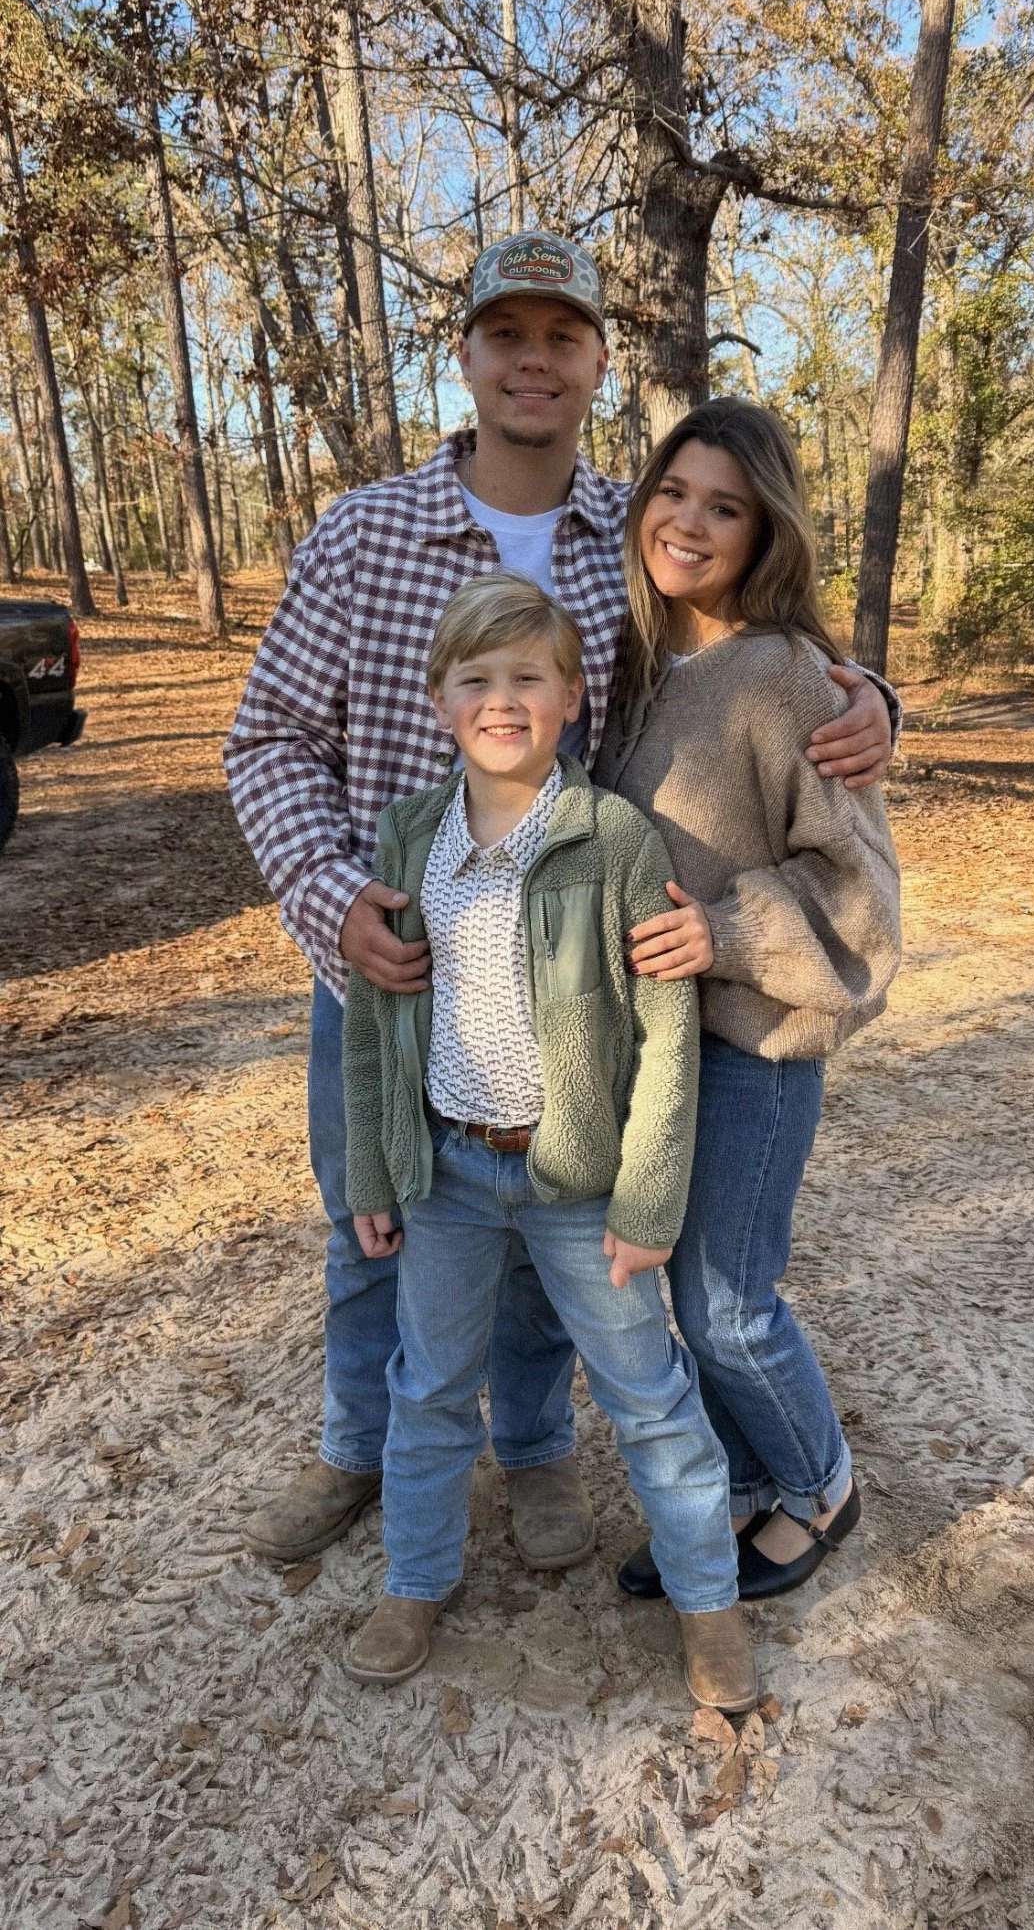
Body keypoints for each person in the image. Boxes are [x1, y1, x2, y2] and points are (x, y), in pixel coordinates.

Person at [224, 229, 898, 1575]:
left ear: (597, 363)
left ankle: (532, 1456)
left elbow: (751, 657)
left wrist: (875, 698)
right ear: (464, 355)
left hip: (556, 988)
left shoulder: (625, 550)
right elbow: (268, 740)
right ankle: (356, 1450)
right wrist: (327, 895)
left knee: (545, 1239)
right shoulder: (363, 536)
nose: (533, 362)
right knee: (370, 1221)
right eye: (506, 336)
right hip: (387, 968)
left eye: (562, 338)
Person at [338, 572, 755, 1712]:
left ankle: (709, 1609)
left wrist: (647, 1200)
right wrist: (375, 1169)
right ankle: (415, 1580)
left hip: (578, 1182)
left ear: (571, 696)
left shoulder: (613, 837)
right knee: (428, 1388)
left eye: (528, 676)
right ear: (438, 701)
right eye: (476, 678)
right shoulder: (410, 832)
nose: (502, 699)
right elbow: (378, 1023)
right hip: (450, 1175)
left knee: (648, 1394)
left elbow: (666, 1036)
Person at [593, 398, 901, 1600]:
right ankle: (744, 1483)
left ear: (765, 529)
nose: (690, 520)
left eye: (725, 504)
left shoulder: (785, 677)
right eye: (674, 491)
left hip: (755, 1049)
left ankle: (820, 1485)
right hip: (653, 1048)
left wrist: (720, 930)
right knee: (673, 1288)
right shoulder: (632, 659)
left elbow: (862, 899)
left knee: (726, 1300)